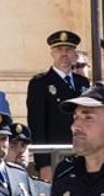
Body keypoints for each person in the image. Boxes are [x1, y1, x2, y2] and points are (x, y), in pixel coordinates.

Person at [26, 30, 91, 169]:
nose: (64, 53)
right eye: (59, 49)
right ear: (52, 53)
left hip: (82, 155)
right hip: (55, 156)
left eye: (68, 49)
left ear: (75, 54)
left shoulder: (83, 83)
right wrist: (43, 164)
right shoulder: (40, 83)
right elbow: (37, 126)